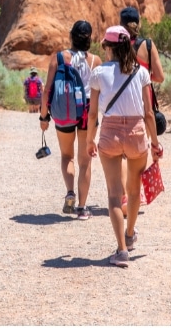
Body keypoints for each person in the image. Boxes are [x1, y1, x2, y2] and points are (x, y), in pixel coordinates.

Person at [86, 25, 163, 268]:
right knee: (133, 190)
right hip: (136, 133)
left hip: (110, 134)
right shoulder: (141, 72)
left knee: (113, 195)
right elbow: (149, 113)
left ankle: (121, 251)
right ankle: (130, 236)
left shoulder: (98, 73)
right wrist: (155, 143)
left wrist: (90, 140)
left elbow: (92, 115)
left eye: (105, 47)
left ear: (109, 48)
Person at [39, 20, 101, 220]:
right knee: (85, 161)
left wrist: (43, 116)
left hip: (64, 111)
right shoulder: (96, 61)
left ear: (71, 36)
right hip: (87, 114)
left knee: (67, 156)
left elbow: (47, 90)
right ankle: (82, 209)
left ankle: (70, 192)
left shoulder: (58, 58)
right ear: (89, 38)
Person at [119, 6, 165, 217]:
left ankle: (124, 197)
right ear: (138, 22)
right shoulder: (147, 45)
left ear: (121, 24)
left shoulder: (116, 44)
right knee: (139, 150)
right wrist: (144, 76)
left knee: (120, 154)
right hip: (143, 101)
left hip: (120, 103)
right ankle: (134, 195)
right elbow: (160, 76)